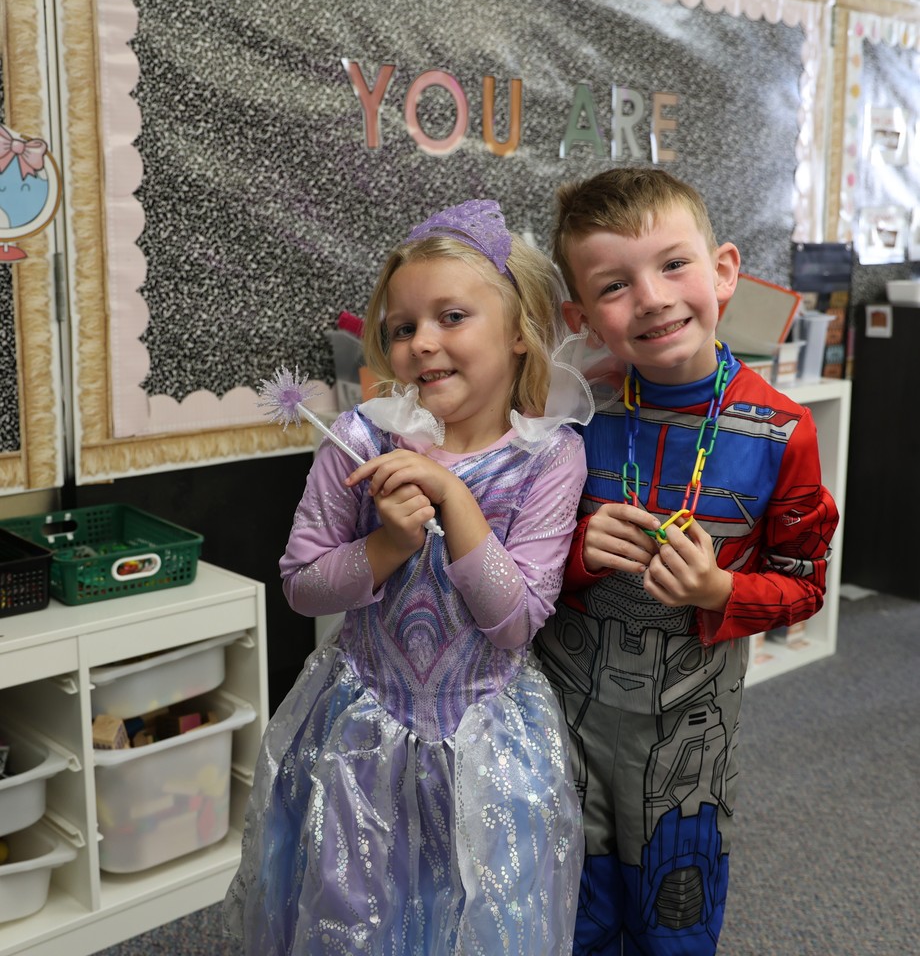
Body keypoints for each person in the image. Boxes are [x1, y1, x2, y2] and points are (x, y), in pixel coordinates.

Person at [224, 199, 591, 955]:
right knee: (356, 910)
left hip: (488, 743)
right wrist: (389, 544)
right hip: (362, 735)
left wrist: (455, 497)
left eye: (451, 317)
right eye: (401, 327)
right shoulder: (359, 439)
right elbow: (301, 584)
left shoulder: (550, 457)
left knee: (479, 911)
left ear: (519, 330)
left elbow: (516, 621)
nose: (421, 342)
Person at [533, 167, 840, 956]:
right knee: (567, 907)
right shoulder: (568, 415)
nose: (652, 298)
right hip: (564, 719)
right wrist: (573, 554)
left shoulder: (782, 431)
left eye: (673, 264)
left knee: (676, 910)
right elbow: (514, 560)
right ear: (581, 317)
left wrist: (721, 588)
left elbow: (805, 586)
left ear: (724, 270)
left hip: (688, 739)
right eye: (615, 284)